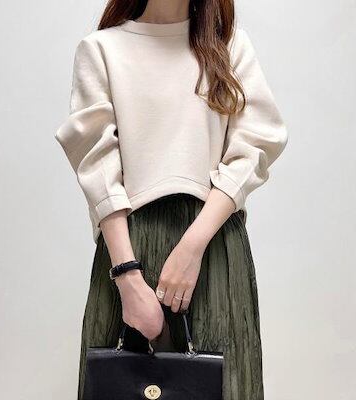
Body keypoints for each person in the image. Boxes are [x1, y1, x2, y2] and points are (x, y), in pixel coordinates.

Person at [55, 0, 288, 399]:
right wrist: (128, 276)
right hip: (130, 247)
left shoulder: (229, 45)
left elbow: (255, 145)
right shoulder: (101, 49)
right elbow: (98, 167)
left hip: (213, 247)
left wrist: (192, 247)